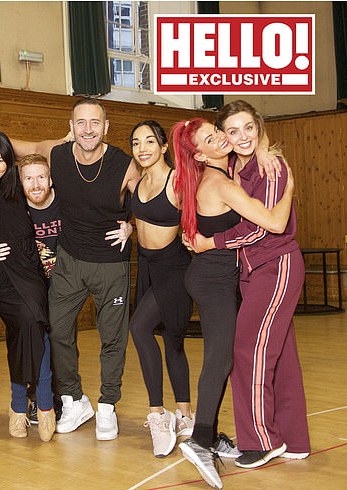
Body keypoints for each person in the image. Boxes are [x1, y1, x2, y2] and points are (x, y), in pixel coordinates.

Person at [172, 116, 294, 488]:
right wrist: (291, 184)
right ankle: (199, 440)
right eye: (211, 138)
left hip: (212, 275)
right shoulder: (220, 184)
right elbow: (273, 222)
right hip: (213, 279)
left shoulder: (209, 178)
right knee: (221, 358)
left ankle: (209, 434)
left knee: (223, 356)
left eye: (218, 131)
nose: (222, 139)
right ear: (199, 152)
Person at [12, 98, 137, 441]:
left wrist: (131, 224)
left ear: (106, 127)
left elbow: (154, 196)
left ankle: (108, 405)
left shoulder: (124, 164)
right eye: (80, 122)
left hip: (111, 264)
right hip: (69, 260)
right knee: (58, 330)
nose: (87, 129)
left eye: (94, 122)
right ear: (71, 126)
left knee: (112, 338)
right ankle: (74, 400)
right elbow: (7, 145)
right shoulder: (56, 153)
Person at [204, 101, 310, 468]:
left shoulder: (272, 165)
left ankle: (261, 441)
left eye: (248, 128)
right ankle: (295, 439)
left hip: (275, 265)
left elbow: (261, 225)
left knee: (248, 350)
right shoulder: (232, 165)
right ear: (224, 136)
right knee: (279, 355)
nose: (243, 137)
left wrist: (210, 243)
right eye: (233, 131)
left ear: (259, 126)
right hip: (251, 271)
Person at [0, 130, 56, 442]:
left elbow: (45, 149)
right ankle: (35, 404)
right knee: (26, 325)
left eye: (0, 160)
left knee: (34, 324)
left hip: (28, 272)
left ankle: (30, 404)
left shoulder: (17, 187)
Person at [126, 120, 194, 457]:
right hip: (148, 268)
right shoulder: (137, 182)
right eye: (136, 143)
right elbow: (139, 219)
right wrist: (128, 228)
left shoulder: (177, 182)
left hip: (175, 268)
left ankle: (158, 415)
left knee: (139, 328)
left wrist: (196, 236)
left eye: (150, 141)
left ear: (164, 146)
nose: (142, 148)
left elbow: (198, 213)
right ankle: (185, 414)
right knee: (171, 340)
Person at [17, 153, 64, 424]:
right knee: (35, 339)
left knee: (61, 340)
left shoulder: (66, 201)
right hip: (32, 286)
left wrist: (127, 228)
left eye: (41, 177)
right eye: (28, 178)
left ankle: (64, 396)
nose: (35, 185)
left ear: (51, 179)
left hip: (64, 285)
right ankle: (36, 398)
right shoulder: (16, 209)